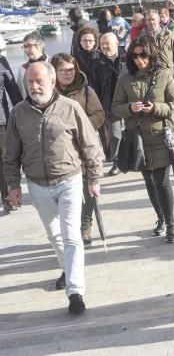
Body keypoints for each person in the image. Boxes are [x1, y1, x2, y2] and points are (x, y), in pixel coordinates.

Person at [4, 61, 103, 314]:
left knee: (71, 236)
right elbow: (11, 154)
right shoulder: (18, 113)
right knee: (54, 236)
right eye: (30, 82)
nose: (34, 86)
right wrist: (13, 186)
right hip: (37, 184)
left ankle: (75, 292)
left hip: (69, 179)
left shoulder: (70, 108)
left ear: (52, 82)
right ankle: (69, 269)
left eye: (39, 81)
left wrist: (94, 179)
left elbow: (90, 145)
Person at [111, 40, 174, 243]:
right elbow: (115, 107)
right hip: (137, 138)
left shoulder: (164, 75)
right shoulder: (124, 80)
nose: (140, 59)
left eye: (144, 55)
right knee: (149, 181)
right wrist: (129, 109)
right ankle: (160, 218)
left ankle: (171, 223)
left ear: (151, 56)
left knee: (162, 181)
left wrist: (155, 108)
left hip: (160, 135)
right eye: (135, 56)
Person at [51, 53, 106, 247]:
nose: (67, 73)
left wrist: (80, 130)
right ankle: (68, 229)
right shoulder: (48, 93)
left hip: (83, 147)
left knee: (86, 186)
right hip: (58, 151)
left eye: (71, 69)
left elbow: (99, 115)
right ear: (54, 72)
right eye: (62, 70)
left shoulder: (86, 91)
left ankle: (85, 225)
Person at [93, 33, 126, 176]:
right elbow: (93, 87)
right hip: (109, 104)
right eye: (102, 44)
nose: (105, 46)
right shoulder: (97, 63)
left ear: (117, 43)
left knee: (135, 130)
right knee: (115, 135)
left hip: (129, 101)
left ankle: (136, 156)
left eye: (108, 43)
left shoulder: (127, 57)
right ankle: (116, 162)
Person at [0, 49, 23, 212]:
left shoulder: (2, 61)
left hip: (1, 120)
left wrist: (21, 112)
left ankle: (8, 196)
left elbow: (13, 90)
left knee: (5, 158)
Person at [16, 33, 48, 97]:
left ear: (40, 46)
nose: (26, 50)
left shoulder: (52, 63)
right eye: (25, 47)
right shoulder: (23, 68)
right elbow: (21, 92)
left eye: (29, 46)